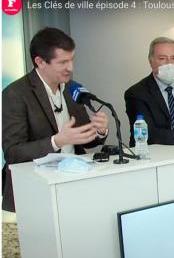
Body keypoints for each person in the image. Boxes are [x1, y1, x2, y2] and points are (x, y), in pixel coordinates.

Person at [2, 27, 109, 213]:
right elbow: (13, 153)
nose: (71, 68)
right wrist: (56, 141)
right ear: (40, 62)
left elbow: (86, 140)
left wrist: (99, 130)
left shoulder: (72, 89)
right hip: (36, 189)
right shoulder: (15, 94)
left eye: (72, 60)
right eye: (63, 62)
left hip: (74, 182)